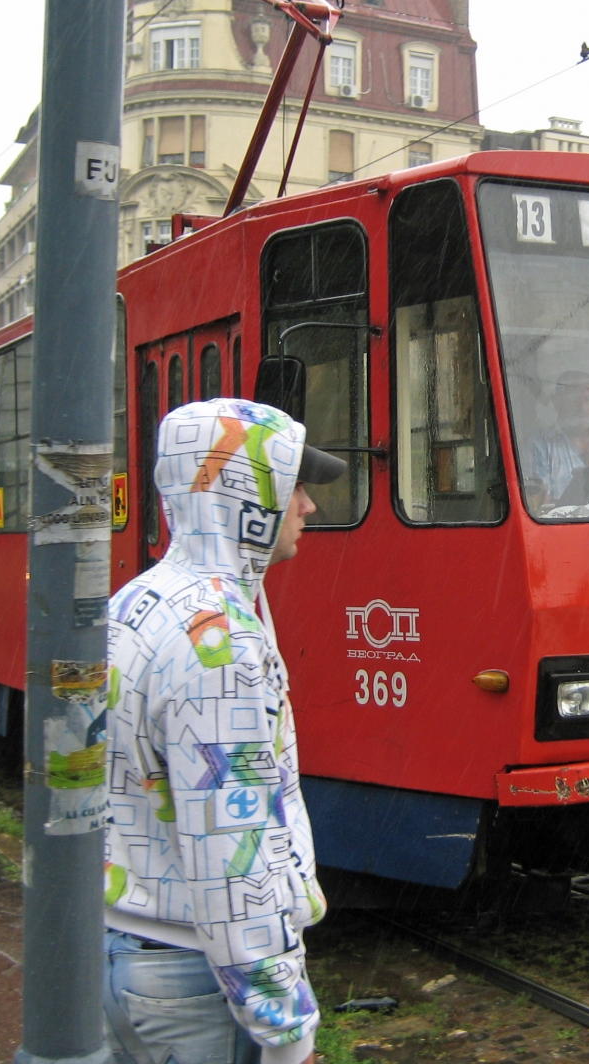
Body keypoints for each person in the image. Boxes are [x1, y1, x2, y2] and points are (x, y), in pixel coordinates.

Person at [102, 398, 347, 1064]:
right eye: (293, 485)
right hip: (189, 980)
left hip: (121, 951)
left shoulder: (132, 603)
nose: (308, 507)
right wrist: (288, 1034)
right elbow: (235, 865)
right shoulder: (223, 646)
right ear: (246, 493)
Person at [525, 370, 589, 509]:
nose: (582, 408)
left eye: (588, 399)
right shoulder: (539, 447)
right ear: (556, 402)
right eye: (573, 400)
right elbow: (540, 506)